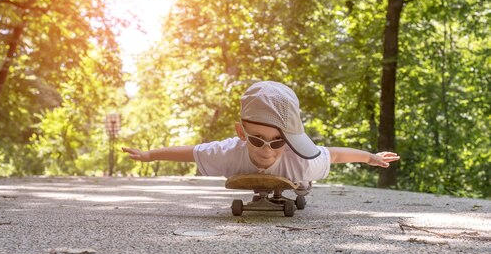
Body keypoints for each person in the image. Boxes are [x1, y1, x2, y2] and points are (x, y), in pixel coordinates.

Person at [122, 81, 399, 189]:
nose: (267, 150)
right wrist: (149, 155)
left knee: (303, 181)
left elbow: (334, 154)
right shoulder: (229, 153)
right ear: (242, 133)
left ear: (289, 140)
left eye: (278, 141)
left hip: (296, 177)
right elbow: (193, 152)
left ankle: (302, 185)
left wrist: (369, 158)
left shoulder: (300, 160)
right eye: (257, 139)